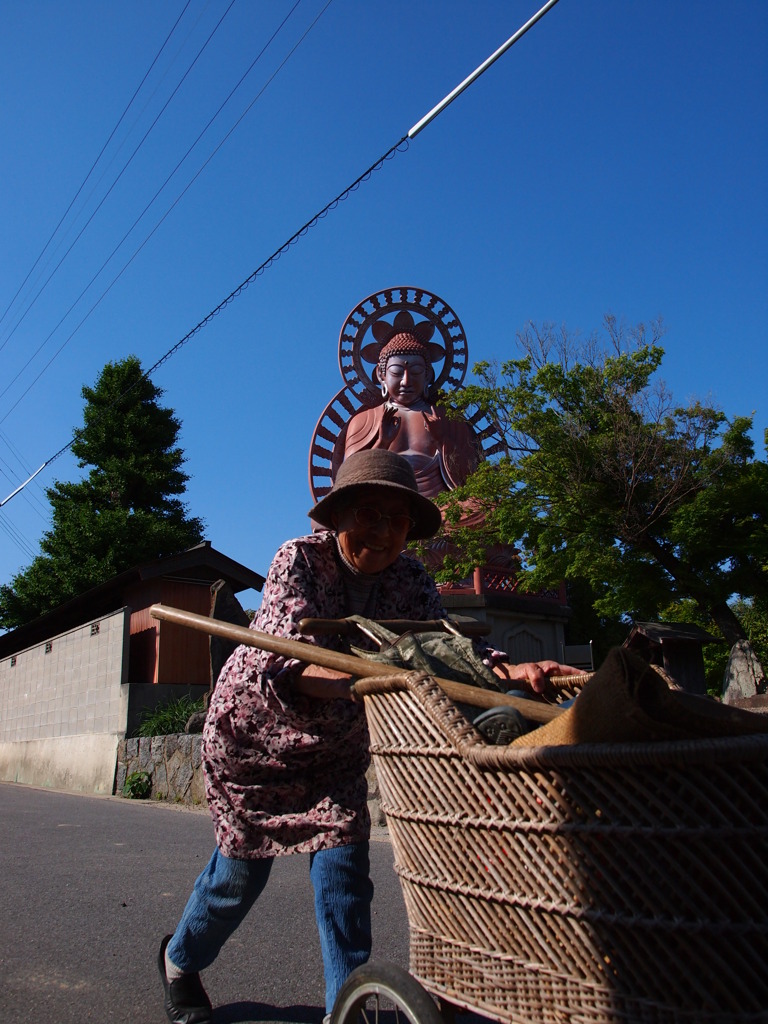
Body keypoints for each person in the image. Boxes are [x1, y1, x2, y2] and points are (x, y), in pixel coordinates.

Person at [158, 449, 577, 1024]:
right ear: (340, 516)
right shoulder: (299, 560)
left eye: (399, 520)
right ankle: (180, 961)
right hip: (255, 740)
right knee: (238, 876)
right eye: (370, 515)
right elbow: (289, 663)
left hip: (334, 748)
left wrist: (511, 672)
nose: (384, 533)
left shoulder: (410, 578)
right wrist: (371, 680)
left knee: (345, 876)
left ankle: (345, 1010)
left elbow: (451, 649)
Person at [336, 313, 481, 499]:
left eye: (416, 372)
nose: (406, 381)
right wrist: (382, 443)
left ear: (428, 376)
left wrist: (442, 440)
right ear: (381, 376)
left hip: (440, 508)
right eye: (396, 372)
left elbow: (472, 480)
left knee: (482, 509)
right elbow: (348, 481)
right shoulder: (365, 420)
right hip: (382, 504)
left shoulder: (448, 419)